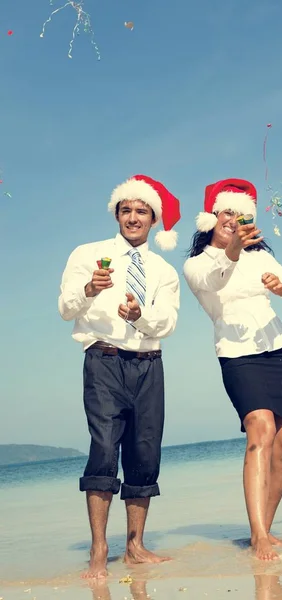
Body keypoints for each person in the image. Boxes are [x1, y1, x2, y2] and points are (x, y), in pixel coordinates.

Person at [58, 174, 181, 577]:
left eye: (141, 211)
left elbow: (168, 323)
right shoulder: (87, 254)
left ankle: (136, 547)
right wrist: (91, 289)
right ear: (116, 214)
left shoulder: (163, 270)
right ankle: (98, 549)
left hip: (148, 364)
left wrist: (139, 315)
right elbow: (64, 307)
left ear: (153, 219)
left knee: (145, 453)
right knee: (104, 449)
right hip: (104, 361)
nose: (133, 217)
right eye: (126, 210)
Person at [183, 178, 282, 561]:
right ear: (210, 220)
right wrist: (233, 250)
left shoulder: (260, 256)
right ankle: (258, 536)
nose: (232, 220)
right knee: (261, 429)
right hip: (236, 354)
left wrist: (281, 288)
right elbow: (216, 279)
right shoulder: (196, 265)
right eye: (225, 214)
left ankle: (263, 529)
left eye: (238, 214)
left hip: (279, 347)